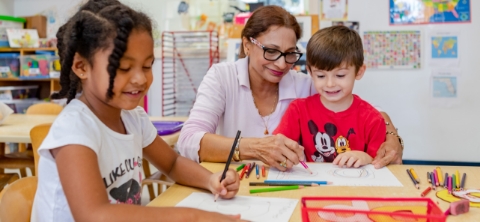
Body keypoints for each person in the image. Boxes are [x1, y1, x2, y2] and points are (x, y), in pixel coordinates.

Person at [31, 1, 243, 221]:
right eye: (123, 68)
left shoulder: (132, 118)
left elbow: (173, 163)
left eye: (147, 66)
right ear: (82, 67)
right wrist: (194, 217)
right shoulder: (75, 129)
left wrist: (210, 180)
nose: (141, 79)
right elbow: (94, 215)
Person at [177, 5, 403, 170]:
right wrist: (254, 148)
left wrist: (392, 136)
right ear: (247, 44)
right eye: (271, 51)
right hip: (233, 182)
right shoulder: (222, 77)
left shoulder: (304, 84)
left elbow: (363, 107)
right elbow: (188, 140)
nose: (281, 63)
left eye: (290, 54)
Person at [273, 26, 385, 168]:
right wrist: (287, 156)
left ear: (359, 71)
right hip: (313, 186)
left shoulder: (373, 119)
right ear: (310, 72)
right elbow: (278, 147)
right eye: (320, 76)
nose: (330, 84)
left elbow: (382, 165)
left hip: (354, 187)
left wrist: (366, 158)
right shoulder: (299, 110)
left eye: (340, 75)